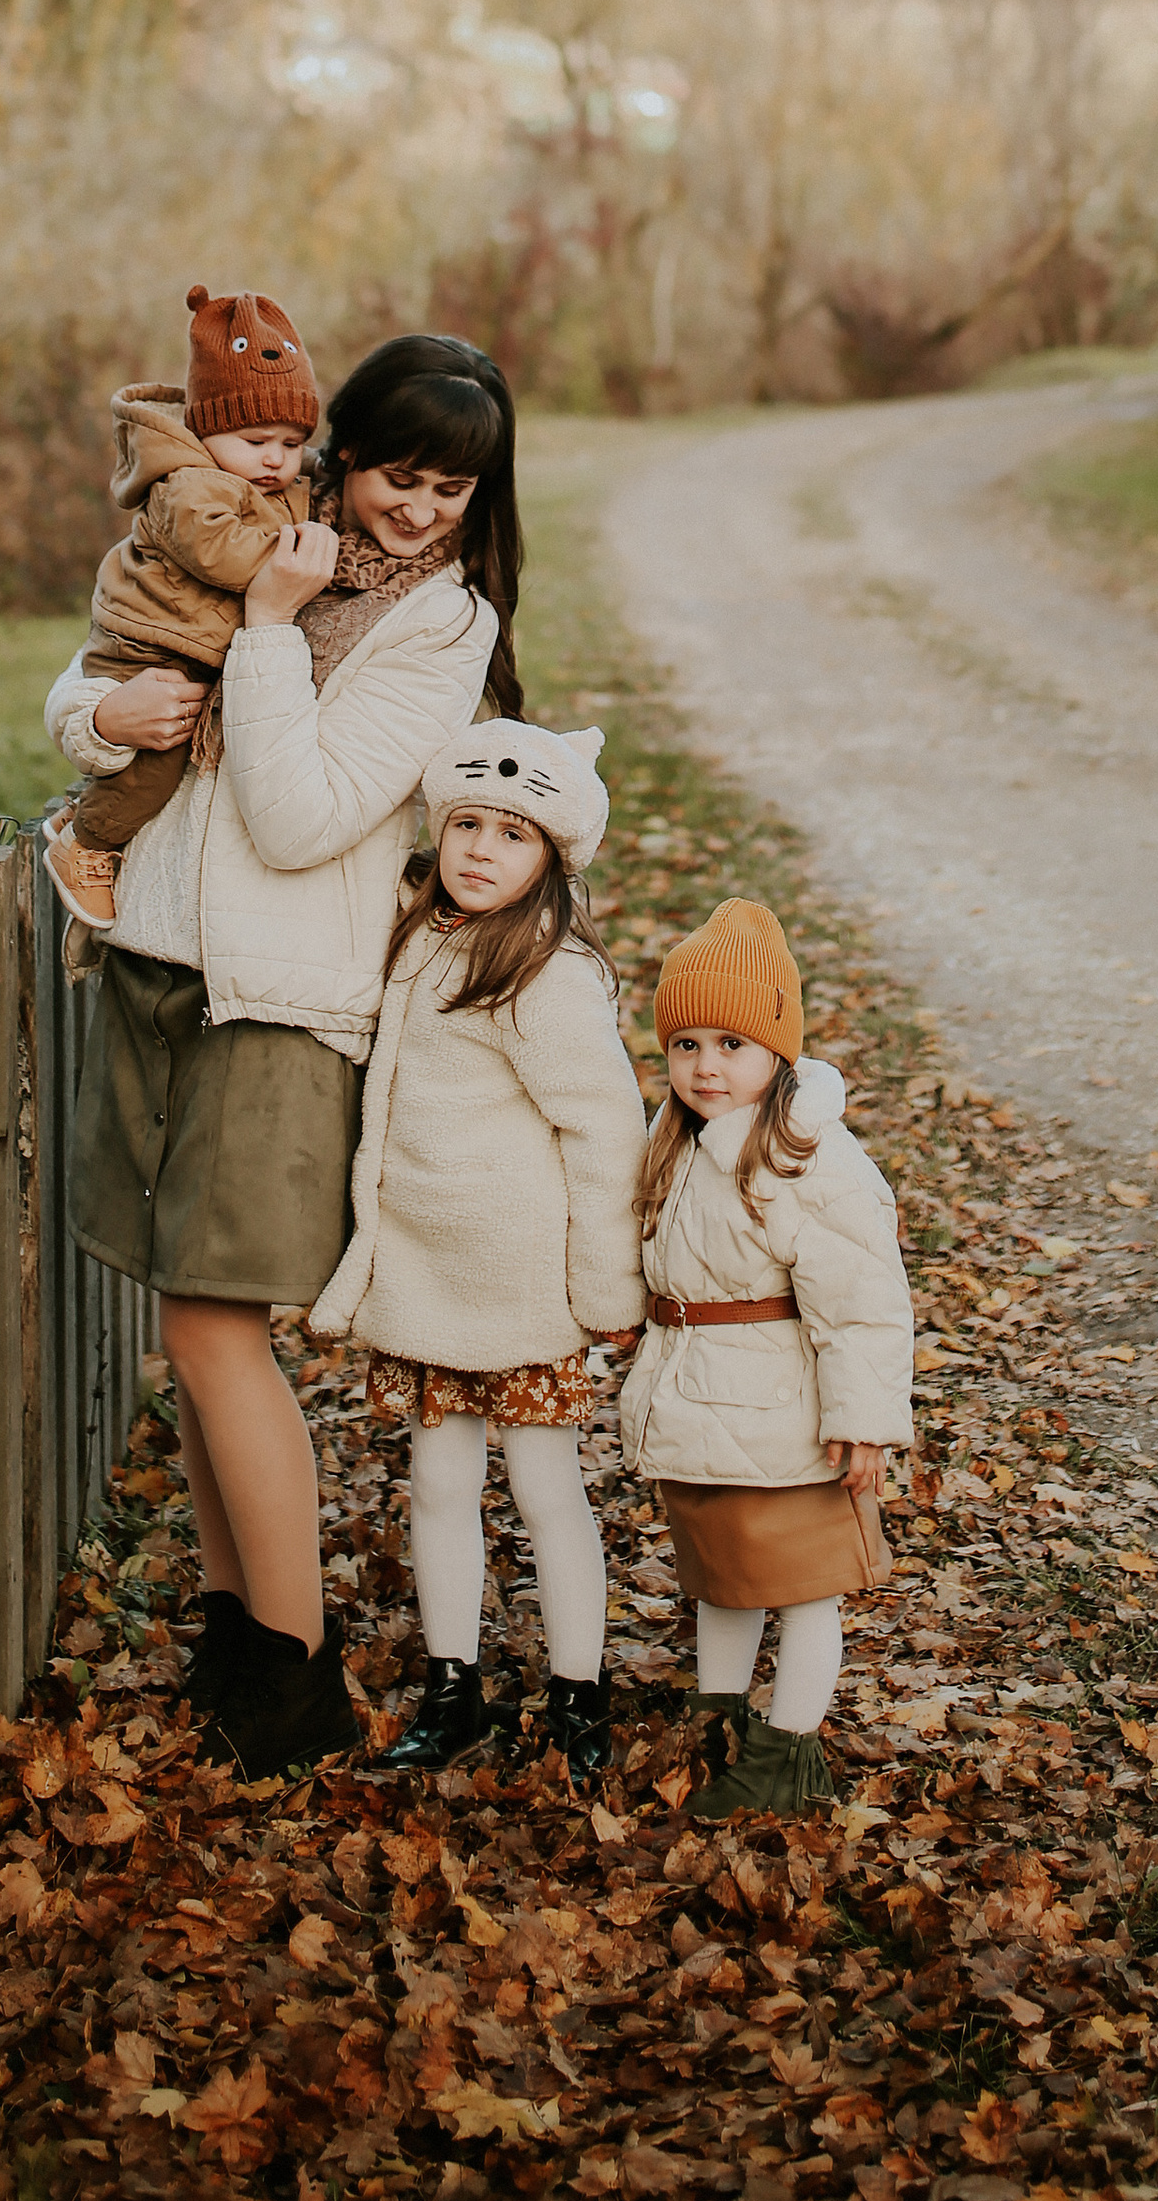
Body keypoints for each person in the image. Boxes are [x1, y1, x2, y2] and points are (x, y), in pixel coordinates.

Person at [46, 331, 524, 1777]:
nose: (421, 509)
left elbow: (305, 816)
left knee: (210, 1326)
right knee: (195, 1342)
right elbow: (101, 668)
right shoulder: (258, 537)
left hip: (284, 1000)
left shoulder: (445, 628)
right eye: (397, 474)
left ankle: (298, 1673)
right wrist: (92, 716)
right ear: (339, 454)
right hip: (154, 965)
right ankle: (232, 1623)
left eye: (454, 487)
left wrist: (265, 627)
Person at [310, 721, 647, 1792]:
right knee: (439, 1481)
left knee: (547, 1491)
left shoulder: (543, 974)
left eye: (512, 832)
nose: (482, 849)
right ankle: (454, 1686)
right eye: (466, 823)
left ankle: (578, 1693)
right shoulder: (418, 934)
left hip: (521, 1288)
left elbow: (603, 1131)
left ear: (552, 856)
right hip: (423, 1273)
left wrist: (604, 1288)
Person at [618, 899, 915, 1820]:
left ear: (776, 1052)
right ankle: (721, 1718)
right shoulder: (677, 1140)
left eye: (731, 1045)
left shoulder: (805, 1157)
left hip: (784, 1411)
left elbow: (862, 1299)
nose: (707, 1066)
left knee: (801, 1587)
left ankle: (790, 1751)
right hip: (701, 1397)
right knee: (722, 1571)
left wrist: (863, 1419)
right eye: (687, 1045)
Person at [43, 284, 320, 944]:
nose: (277, 458)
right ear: (208, 429)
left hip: (179, 640)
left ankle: (86, 823)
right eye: (258, 439)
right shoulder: (190, 487)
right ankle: (85, 842)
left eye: (292, 441)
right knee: (156, 768)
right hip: (147, 645)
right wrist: (296, 559)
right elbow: (222, 554)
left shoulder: (249, 477)